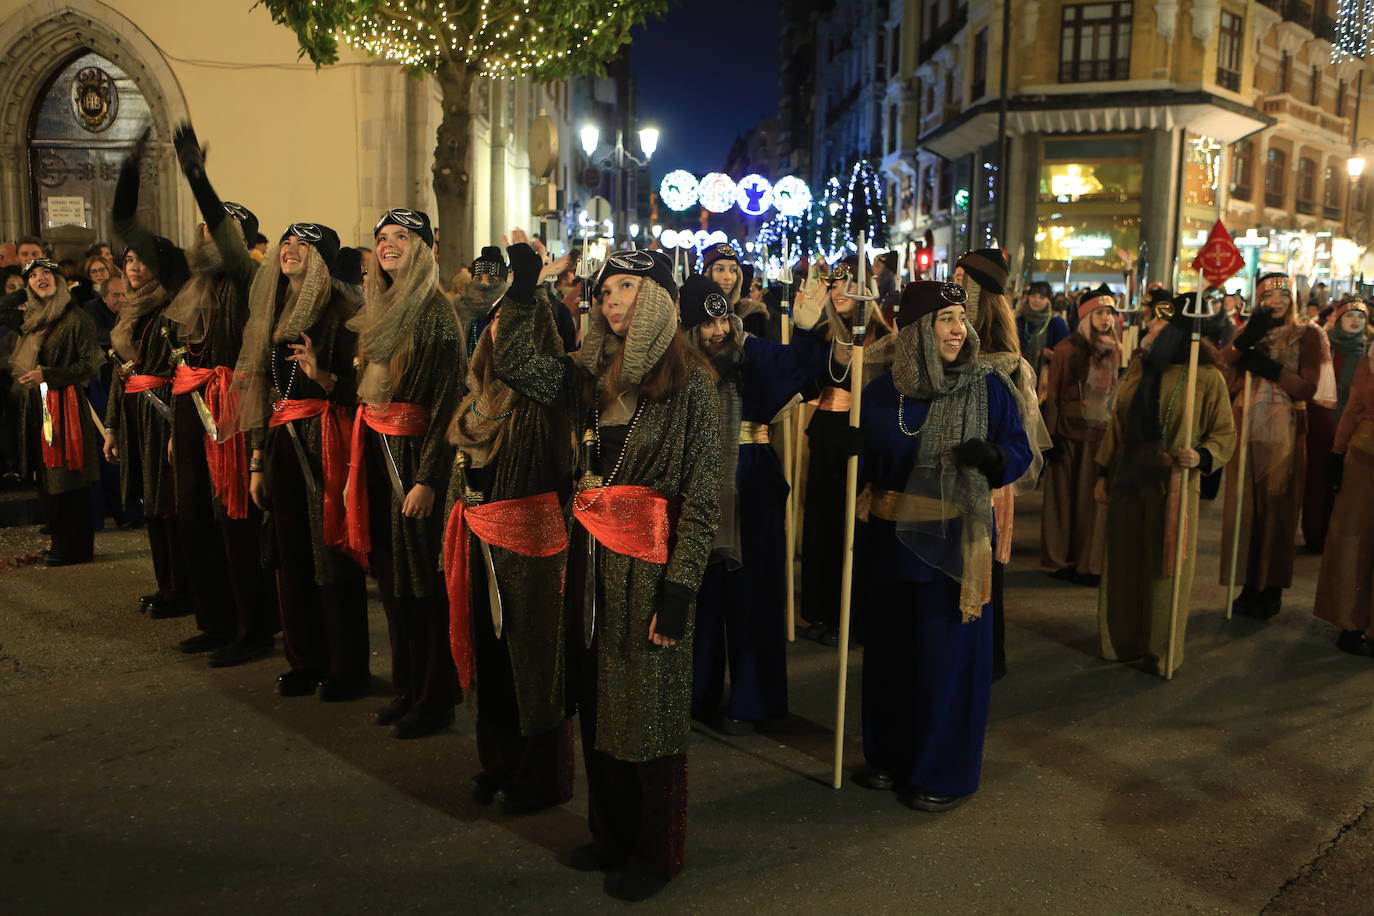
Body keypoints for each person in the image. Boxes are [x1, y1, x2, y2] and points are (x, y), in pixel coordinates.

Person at [495, 247, 720, 900]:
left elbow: (702, 496)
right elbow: (513, 364)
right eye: (605, 290)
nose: (613, 299)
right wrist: (522, 289)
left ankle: (658, 851)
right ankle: (611, 834)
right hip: (590, 564)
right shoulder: (589, 377)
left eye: (628, 286)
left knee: (648, 714)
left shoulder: (692, 387)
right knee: (597, 703)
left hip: (650, 568)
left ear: (659, 297)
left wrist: (680, 591)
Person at [855, 279, 1032, 812]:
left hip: (955, 544)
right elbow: (860, 464)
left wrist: (995, 458)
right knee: (890, 659)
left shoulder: (988, 386)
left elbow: (1019, 451)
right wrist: (841, 447)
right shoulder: (883, 391)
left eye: (962, 319)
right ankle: (889, 756)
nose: (960, 330)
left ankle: (942, 773)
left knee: (945, 662)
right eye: (945, 320)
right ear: (915, 332)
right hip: (887, 542)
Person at [443, 242, 575, 815]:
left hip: (530, 535)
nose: (496, 341)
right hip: (481, 530)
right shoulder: (481, 404)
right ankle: (497, 762)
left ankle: (540, 776)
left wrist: (525, 294)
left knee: (534, 658)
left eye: (507, 327)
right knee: (493, 656)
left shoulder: (546, 389)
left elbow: (521, 361)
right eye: (493, 329)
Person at [680, 272, 828, 736]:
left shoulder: (752, 353)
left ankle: (754, 698)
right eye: (706, 326)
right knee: (701, 595)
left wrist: (807, 330)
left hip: (752, 484)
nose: (718, 331)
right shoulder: (679, 367)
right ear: (689, 330)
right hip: (698, 485)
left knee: (753, 595)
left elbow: (803, 367)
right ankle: (695, 693)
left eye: (722, 318)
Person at [233, 222, 370, 700]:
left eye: (303, 245)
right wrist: (255, 459)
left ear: (323, 261)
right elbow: (261, 389)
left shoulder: (344, 312)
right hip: (281, 440)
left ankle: (345, 667)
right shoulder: (271, 309)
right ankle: (304, 658)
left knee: (328, 552)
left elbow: (365, 393)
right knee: (289, 551)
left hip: (324, 437)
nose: (289, 249)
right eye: (286, 242)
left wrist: (324, 376)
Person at [342, 207, 463, 739]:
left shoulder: (437, 314)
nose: (389, 245)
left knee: (425, 586)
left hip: (413, 463)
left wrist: (429, 478)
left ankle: (436, 697)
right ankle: (408, 686)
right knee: (393, 583)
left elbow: (446, 405)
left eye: (402, 237)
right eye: (382, 238)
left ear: (425, 248)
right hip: (376, 452)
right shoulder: (380, 308)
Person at [163, 123, 275, 667]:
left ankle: (251, 628)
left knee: (235, 521)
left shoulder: (248, 274)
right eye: (206, 231)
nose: (209, 238)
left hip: (232, 402)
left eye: (219, 231)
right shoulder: (195, 284)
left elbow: (228, 241)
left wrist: (197, 178)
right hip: (194, 404)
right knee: (195, 516)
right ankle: (214, 619)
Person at [1097, 295, 1237, 676]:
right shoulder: (1140, 370)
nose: (1150, 330)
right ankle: (1121, 641)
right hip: (1128, 480)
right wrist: (1102, 473)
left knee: (1165, 572)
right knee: (1124, 566)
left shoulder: (1207, 378)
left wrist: (1203, 455)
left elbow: (1224, 433)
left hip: (1173, 485)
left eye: (1159, 326)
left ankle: (1161, 651)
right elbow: (1118, 427)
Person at [954, 249, 1049, 680]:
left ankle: (985, 658)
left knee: (983, 567)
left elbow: (1017, 437)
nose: (954, 283)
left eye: (961, 277)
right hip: (948, 473)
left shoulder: (1005, 358)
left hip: (987, 476)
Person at [1221, 272, 1336, 619]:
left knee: (1277, 508)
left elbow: (1308, 389)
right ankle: (1247, 583)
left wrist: (1271, 369)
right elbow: (1221, 363)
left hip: (1284, 429)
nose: (1277, 301)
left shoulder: (1308, 334)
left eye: (1283, 295)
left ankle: (1270, 587)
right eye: (1269, 296)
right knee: (1247, 508)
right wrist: (1244, 344)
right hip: (1246, 426)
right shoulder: (1250, 331)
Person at [797, 257, 892, 646]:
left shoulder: (883, 341)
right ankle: (819, 609)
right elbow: (808, 380)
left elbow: (887, 398)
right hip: (825, 438)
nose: (837, 292)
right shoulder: (825, 336)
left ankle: (850, 616)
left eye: (846, 284)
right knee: (821, 525)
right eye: (832, 285)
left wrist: (870, 437)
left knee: (851, 529)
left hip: (859, 442)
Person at [0, 257, 103, 565]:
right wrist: (26, 289)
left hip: (65, 406)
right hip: (38, 406)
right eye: (33, 276)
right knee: (46, 477)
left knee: (68, 477)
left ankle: (77, 548)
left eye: (47, 273)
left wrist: (48, 374)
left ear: (60, 279)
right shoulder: (33, 317)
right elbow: (4, 306)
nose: (40, 278)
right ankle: (60, 542)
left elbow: (91, 363)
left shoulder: (75, 318)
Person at [1040, 285, 1121, 585]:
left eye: (1109, 313)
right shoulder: (1066, 349)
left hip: (1100, 437)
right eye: (1099, 313)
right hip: (1068, 434)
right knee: (1063, 500)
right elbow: (1054, 395)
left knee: (1093, 502)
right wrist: (1051, 437)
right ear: (1086, 316)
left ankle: (1089, 561)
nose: (1105, 319)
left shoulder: (1117, 349)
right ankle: (1061, 559)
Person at [1313, 337, 1374, 655]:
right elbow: (1352, 409)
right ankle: (1350, 622)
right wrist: (1337, 453)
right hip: (1364, 458)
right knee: (1354, 540)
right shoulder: (1369, 363)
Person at [1302, 300, 1370, 550]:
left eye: (1361, 317)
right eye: (1350, 316)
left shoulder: (1368, 353)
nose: (1355, 321)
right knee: (1318, 479)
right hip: (1322, 422)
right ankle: (1315, 534)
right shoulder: (1324, 346)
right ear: (1338, 319)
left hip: (1355, 430)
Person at [1016, 280, 1070, 390]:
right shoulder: (1019, 320)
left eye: (1042, 297)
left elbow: (1067, 354)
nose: (1037, 300)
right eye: (1033, 296)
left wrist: (1053, 355)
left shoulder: (1057, 323)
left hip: (1046, 381)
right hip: (1018, 375)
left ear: (1049, 300)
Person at [455, 247, 508, 356]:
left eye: (492, 279)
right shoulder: (460, 312)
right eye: (478, 278)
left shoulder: (507, 313)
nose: (484, 284)